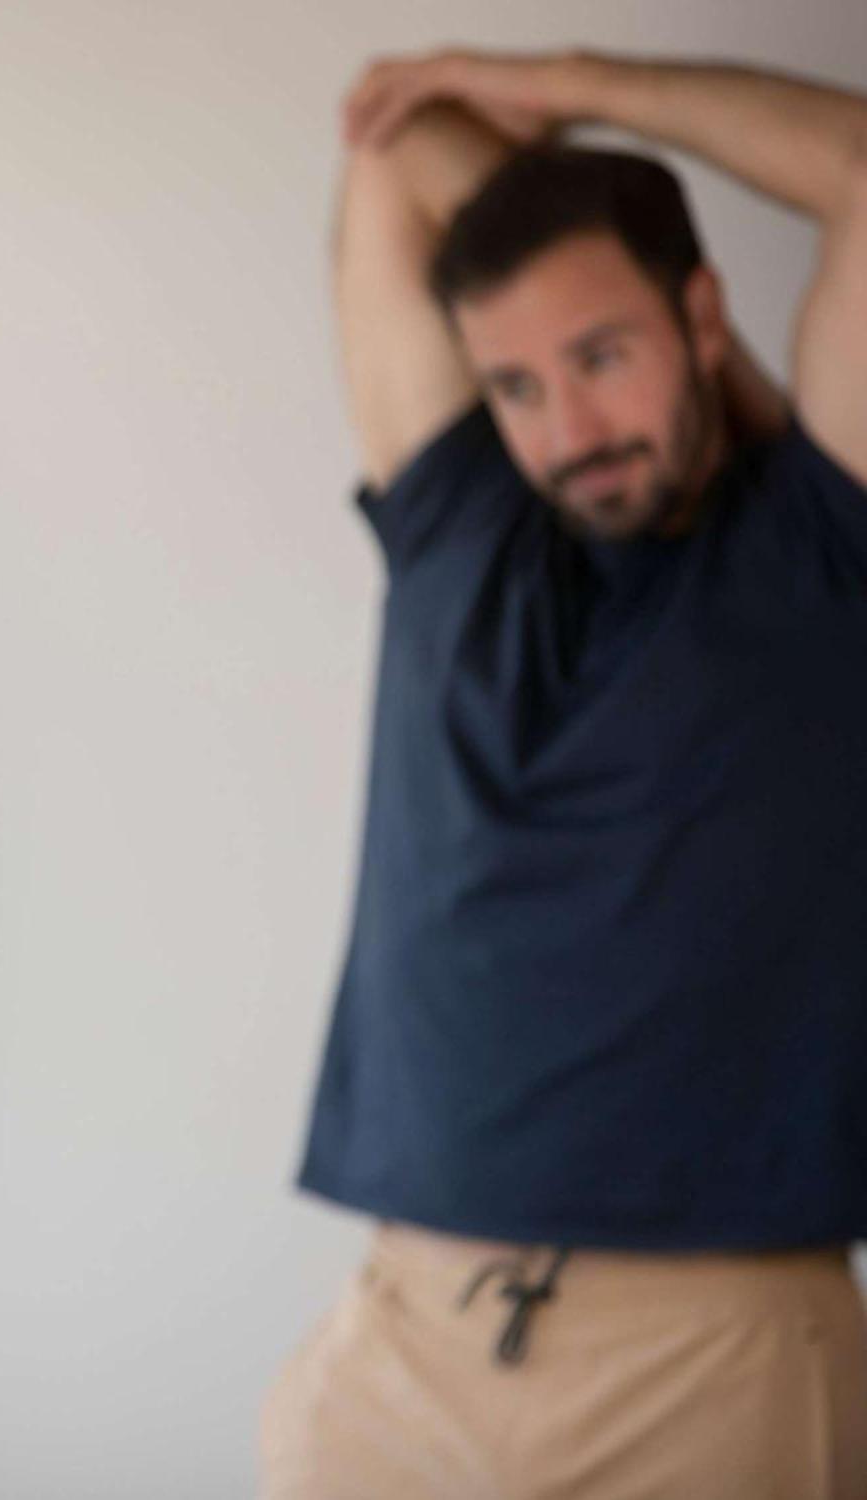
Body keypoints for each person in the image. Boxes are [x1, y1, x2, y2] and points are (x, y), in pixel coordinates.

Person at [263, 47, 867, 1498]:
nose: (568, 429)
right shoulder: (463, 521)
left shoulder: (822, 541)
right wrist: (513, 173)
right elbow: (400, 157)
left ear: (704, 315)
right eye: (517, 381)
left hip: (717, 1357)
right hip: (403, 1336)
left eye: (604, 355)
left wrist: (568, 88)